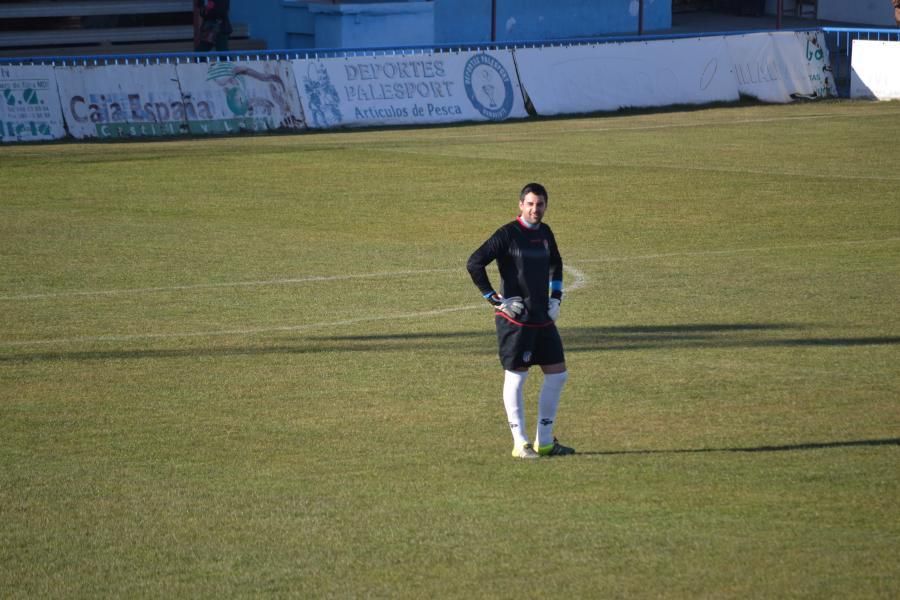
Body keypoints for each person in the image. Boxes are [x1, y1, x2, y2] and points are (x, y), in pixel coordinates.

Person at [467, 183, 575, 459]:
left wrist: (557, 298)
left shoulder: (546, 233)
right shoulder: (507, 234)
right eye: (530, 204)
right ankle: (520, 443)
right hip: (515, 322)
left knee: (558, 374)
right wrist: (495, 299)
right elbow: (475, 263)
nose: (535, 209)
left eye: (539, 204)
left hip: (542, 318)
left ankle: (546, 442)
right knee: (517, 376)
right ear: (520, 205)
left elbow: (557, 263)